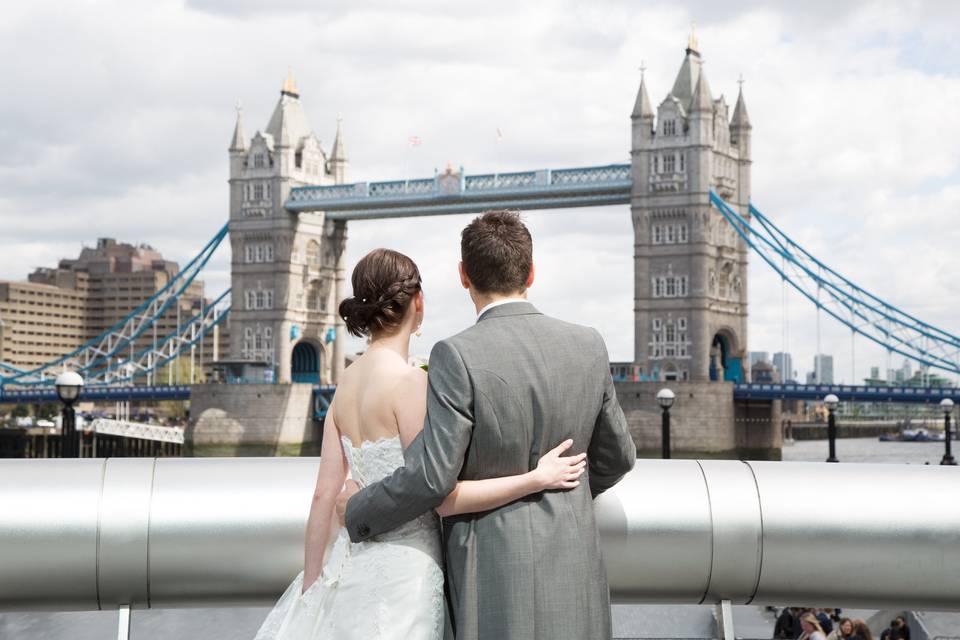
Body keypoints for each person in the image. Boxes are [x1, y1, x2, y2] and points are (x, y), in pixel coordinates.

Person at [252, 247, 589, 639]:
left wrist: (311, 591)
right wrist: (536, 478)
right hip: (405, 575)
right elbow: (439, 494)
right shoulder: (410, 383)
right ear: (418, 303)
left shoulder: (346, 382)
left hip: (349, 567)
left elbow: (323, 496)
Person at [338, 210, 637, 640]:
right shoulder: (588, 344)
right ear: (531, 271)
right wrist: (560, 494)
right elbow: (618, 457)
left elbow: (431, 477)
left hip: (488, 568)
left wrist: (356, 511)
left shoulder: (456, 355)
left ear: (463, 276)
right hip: (574, 564)